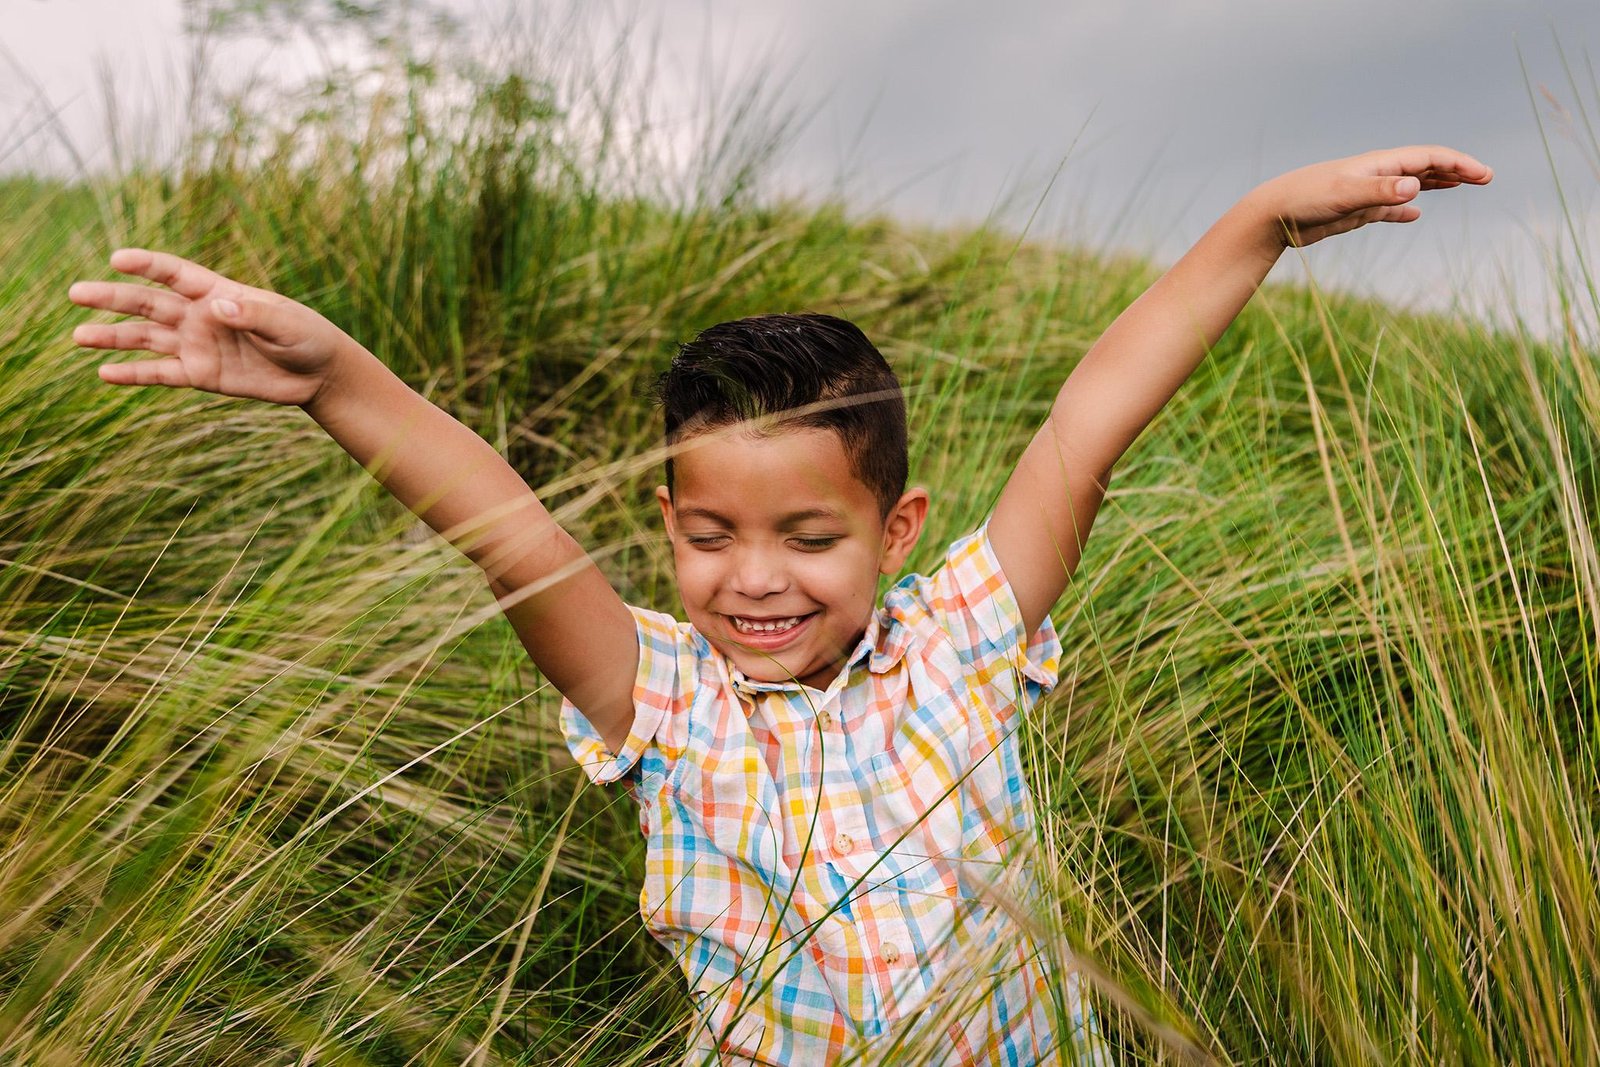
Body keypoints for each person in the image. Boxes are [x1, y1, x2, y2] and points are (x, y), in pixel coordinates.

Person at [68, 145, 1491, 1064]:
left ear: (898, 529)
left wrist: (1253, 223)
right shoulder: (664, 698)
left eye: (809, 536)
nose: (754, 578)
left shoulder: (963, 640)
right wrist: (334, 382)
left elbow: (1086, 426)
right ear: (668, 530)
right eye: (707, 536)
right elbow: (507, 533)